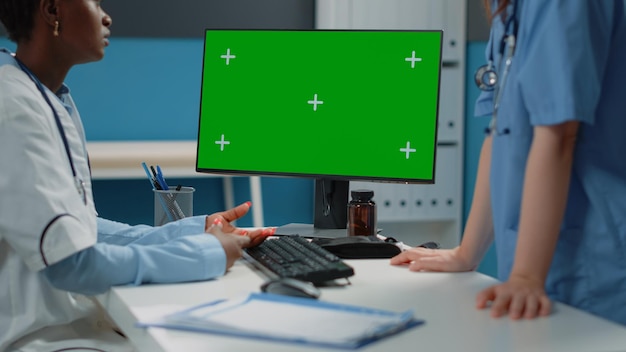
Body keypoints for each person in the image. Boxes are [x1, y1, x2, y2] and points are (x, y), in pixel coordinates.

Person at [0, 0, 275, 350]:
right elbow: (73, 264)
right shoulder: (13, 107)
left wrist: (191, 230)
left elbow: (81, 229)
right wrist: (204, 254)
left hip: (73, 325)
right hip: (40, 339)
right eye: (94, 2)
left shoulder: (48, 99)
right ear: (53, 10)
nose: (106, 16)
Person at [391, 0, 626, 326]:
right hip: (545, 262)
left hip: (594, 261)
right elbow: (502, 133)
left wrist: (527, 276)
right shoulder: (511, 10)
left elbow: (557, 136)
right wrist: (466, 252)